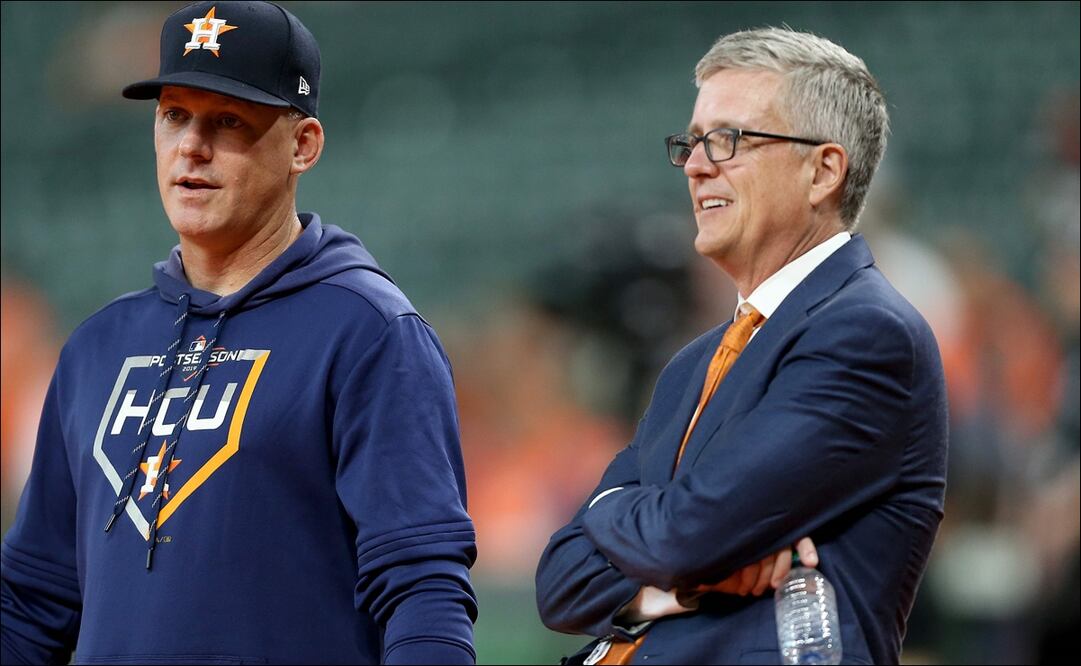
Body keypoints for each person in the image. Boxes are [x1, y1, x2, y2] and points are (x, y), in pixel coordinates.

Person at [0, 2, 477, 664]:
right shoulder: (97, 346)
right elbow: (33, 602)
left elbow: (422, 589)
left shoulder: (368, 333)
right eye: (174, 116)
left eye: (227, 121)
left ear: (303, 145)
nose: (191, 147)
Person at [536, 27, 948, 665]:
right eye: (693, 142)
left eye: (729, 140)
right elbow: (559, 582)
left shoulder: (866, 334)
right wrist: (673, 587)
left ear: (823, 171)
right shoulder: (690, 365)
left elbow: (684, 535)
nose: (697, 166)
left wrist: (614, 509)